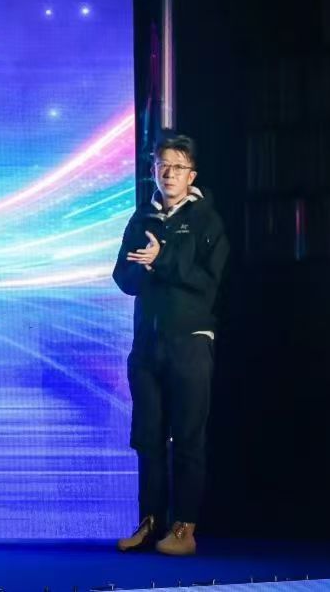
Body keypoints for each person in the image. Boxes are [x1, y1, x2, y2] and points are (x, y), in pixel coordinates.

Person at [113, 134, 229, 557]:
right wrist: (144, 266)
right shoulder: (142, 217)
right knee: (148, 436)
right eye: (162, 165)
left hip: (190, 342)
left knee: (187, 437)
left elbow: (208, 282)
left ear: (191, 175)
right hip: (147, 344)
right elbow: (123, 278)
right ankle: (150, 522)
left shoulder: (206, 220)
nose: (168, 173)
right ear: (152, 171)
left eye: (177, 167)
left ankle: (184, 527)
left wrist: (161, 259)